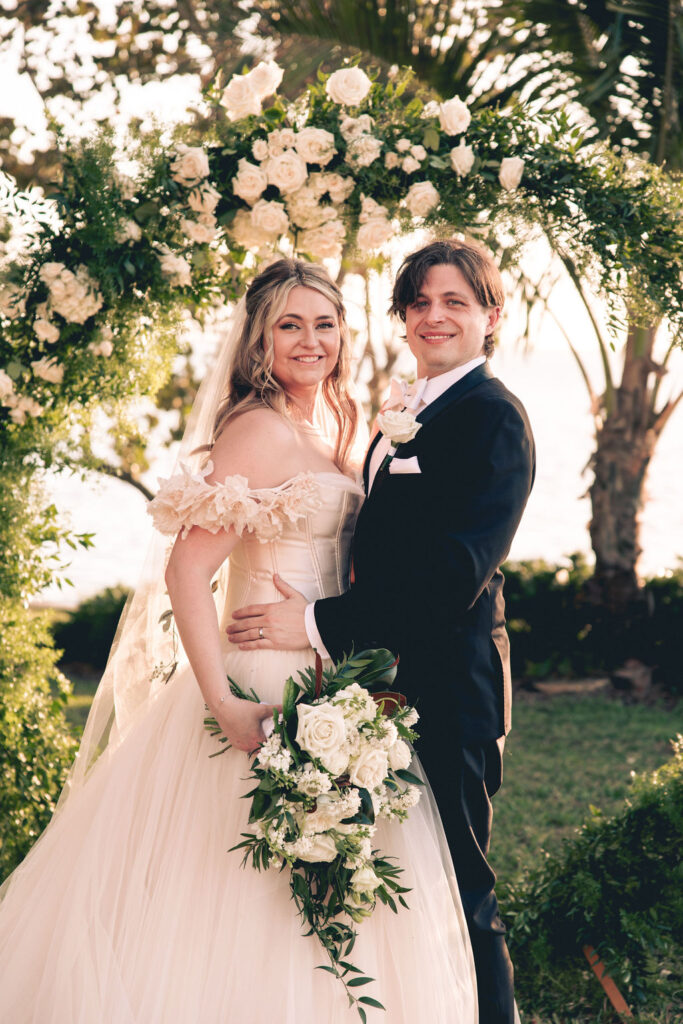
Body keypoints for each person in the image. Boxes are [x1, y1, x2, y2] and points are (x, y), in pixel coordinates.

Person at [0, 257, 478, 1022]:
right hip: (259, 684)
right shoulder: (255, 429)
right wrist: (222, 696)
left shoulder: (343, 419)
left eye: (324, 323)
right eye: (289, 324)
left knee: (329, 883)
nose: (309, 340)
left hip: (334, 681)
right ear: (258, 339)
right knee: (240, 891)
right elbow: (188, 572)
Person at [226, 240, 536, 1024]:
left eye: (455, 303)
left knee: (462, 896)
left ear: (490, 318)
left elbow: (448, 576)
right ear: (400, 319)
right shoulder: (408, 410)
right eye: (419, 303)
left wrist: (315, 620)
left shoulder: (491, 419)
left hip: (449, 694)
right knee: (394, 891)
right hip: (381, 692)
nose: (435, 316)